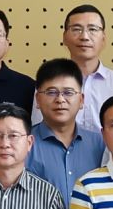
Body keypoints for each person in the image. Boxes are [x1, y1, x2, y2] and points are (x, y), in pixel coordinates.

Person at [27, 58, 106, 200]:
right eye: (51, 92)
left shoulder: (100, 144)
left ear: (81, 100)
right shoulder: (23, 144)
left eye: (68, 92)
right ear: (38, 100)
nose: (60, 99)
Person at [62, 4, 113, 135]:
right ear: (64, 37)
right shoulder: (50, 83)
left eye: (93, 29)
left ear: (104, 38)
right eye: (76, 29)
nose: (84, 36)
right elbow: (38, 128)